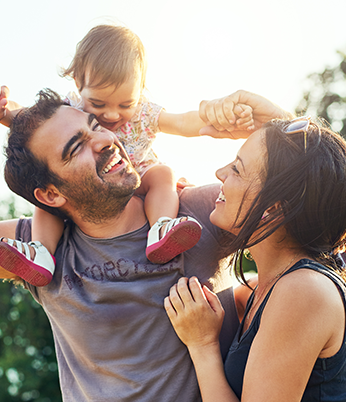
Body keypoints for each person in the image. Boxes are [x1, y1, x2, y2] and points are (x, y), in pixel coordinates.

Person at [0, 88, 245, 402]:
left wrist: (272, 120)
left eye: (96, 125)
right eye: (77, 147)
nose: (105, 140)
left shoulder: (201, 212)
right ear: (50, 196)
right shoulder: (41, 251)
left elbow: (311, 193)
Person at [0, 25, 254, 287]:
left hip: (139, 176)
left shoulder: (143, 113)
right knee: (47, 202)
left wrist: (218, 118)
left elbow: (181, 122)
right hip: (89, 192)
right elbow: (33, 122)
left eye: (125, 105)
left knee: (163, 174)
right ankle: (40, 252)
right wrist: (6, 112)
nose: (111, 115)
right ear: (78, 82)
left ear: (140, 90)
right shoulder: (70, 108)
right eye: (98, 104)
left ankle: (162, 227)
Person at [165, 99, 346, 401]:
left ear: (273, 208)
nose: (220, 172)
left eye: (236, 168)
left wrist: (202, 345)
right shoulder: (266, 290)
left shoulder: (303, 292)